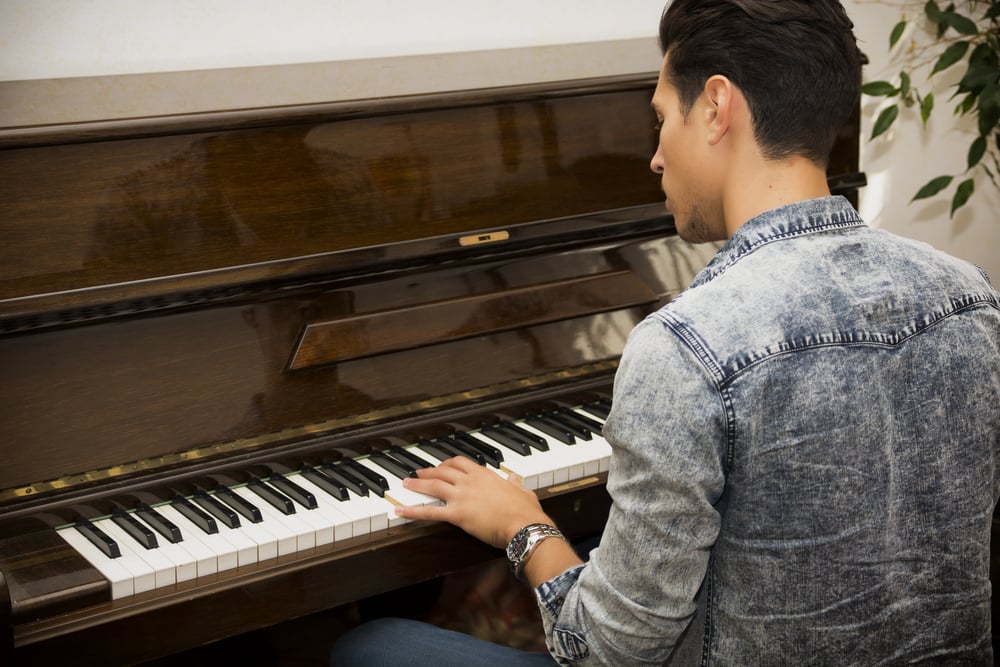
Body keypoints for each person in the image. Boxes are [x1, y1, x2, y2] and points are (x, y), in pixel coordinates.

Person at [330, 0, 1000, 664]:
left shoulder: (687, 347)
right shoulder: (972, 296)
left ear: (715, 107)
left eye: (660, 119)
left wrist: (523, 526)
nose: (655, 157)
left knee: (371, 643)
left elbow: (604, 653)